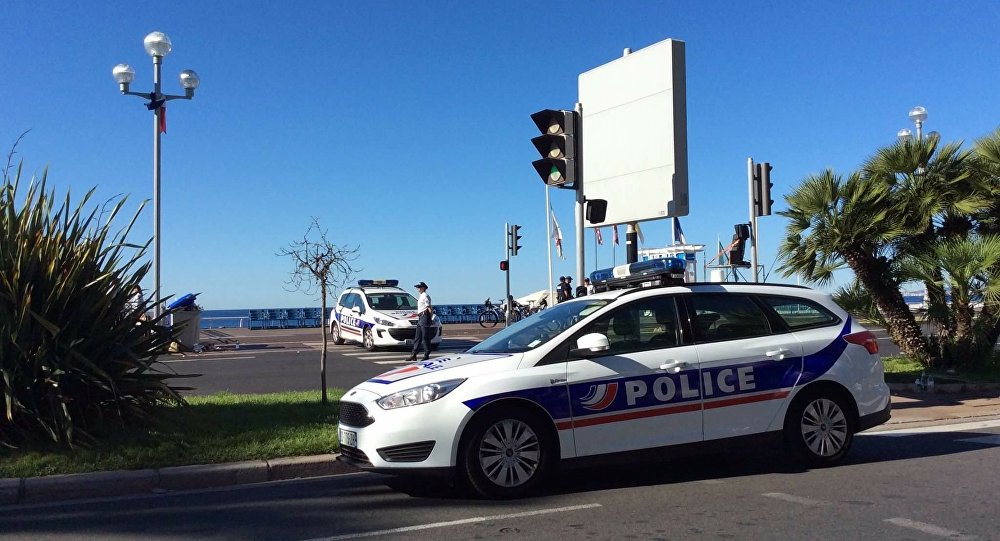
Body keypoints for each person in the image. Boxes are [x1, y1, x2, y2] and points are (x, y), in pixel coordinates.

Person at [407, 281, 434, 362]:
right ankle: (414, 354)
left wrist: (430, 318)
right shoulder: (421, 296)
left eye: (419, 287)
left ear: (423, 288)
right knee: (418, 337)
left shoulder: (425, 296)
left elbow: (429, 308)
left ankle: (426, 354)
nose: (417, 289)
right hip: (421, 317)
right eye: (417, 287)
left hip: (424, 316)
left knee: (425, 337)